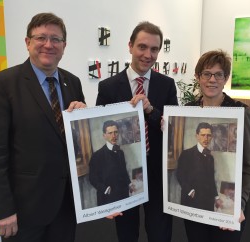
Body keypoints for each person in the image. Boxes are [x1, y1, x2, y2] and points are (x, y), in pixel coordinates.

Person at [0, 13, 86, 242]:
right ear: (27, 43)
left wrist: (84, 119)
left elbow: (76, 144)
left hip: (66, 206)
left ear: (64, 46)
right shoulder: (2, 84)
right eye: (41, 38)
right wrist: (2, 209)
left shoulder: (72, 82)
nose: (48, 45)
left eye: (55, 39)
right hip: (24, 211)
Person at [96, 21, 178, 242]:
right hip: (124, 172)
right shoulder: (108, 87)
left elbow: (174, 128)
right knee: (126, 232)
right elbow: (101, 128)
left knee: (160, 232)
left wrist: (151, 110)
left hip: (158, 172)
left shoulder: (167, 84)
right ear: (130, 46)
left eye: (154, 49)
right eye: (142, 47)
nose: (147, 54)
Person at [183, 49, 250, 242]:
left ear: (226, 78)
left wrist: (238, 204)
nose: (212, 80)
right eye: (206, 74)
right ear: (198, 77)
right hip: (195, 207)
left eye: (219, 74)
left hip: (228, 207)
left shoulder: (241, 112)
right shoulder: (186, 111)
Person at [176, 122, 221, 211]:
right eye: (203, 135)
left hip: (207, 202)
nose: (206, 138)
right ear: (197, 136)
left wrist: (216, 197)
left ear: (211, 137)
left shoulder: (210, 157)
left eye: (208, 135)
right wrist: (191, 192)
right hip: (191, 202)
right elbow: (180, 175)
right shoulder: (186, 154)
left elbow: (211, 179)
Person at [89, 120, 134, 206]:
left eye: (115, 132)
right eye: (110, 133)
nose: (114, 136)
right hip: (107, 199)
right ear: (104, 135)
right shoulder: (97, 156)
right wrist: (105, 189)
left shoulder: (120, 152)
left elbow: (124, 171)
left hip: (123, 197)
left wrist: (129, 184)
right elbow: (92, 178)